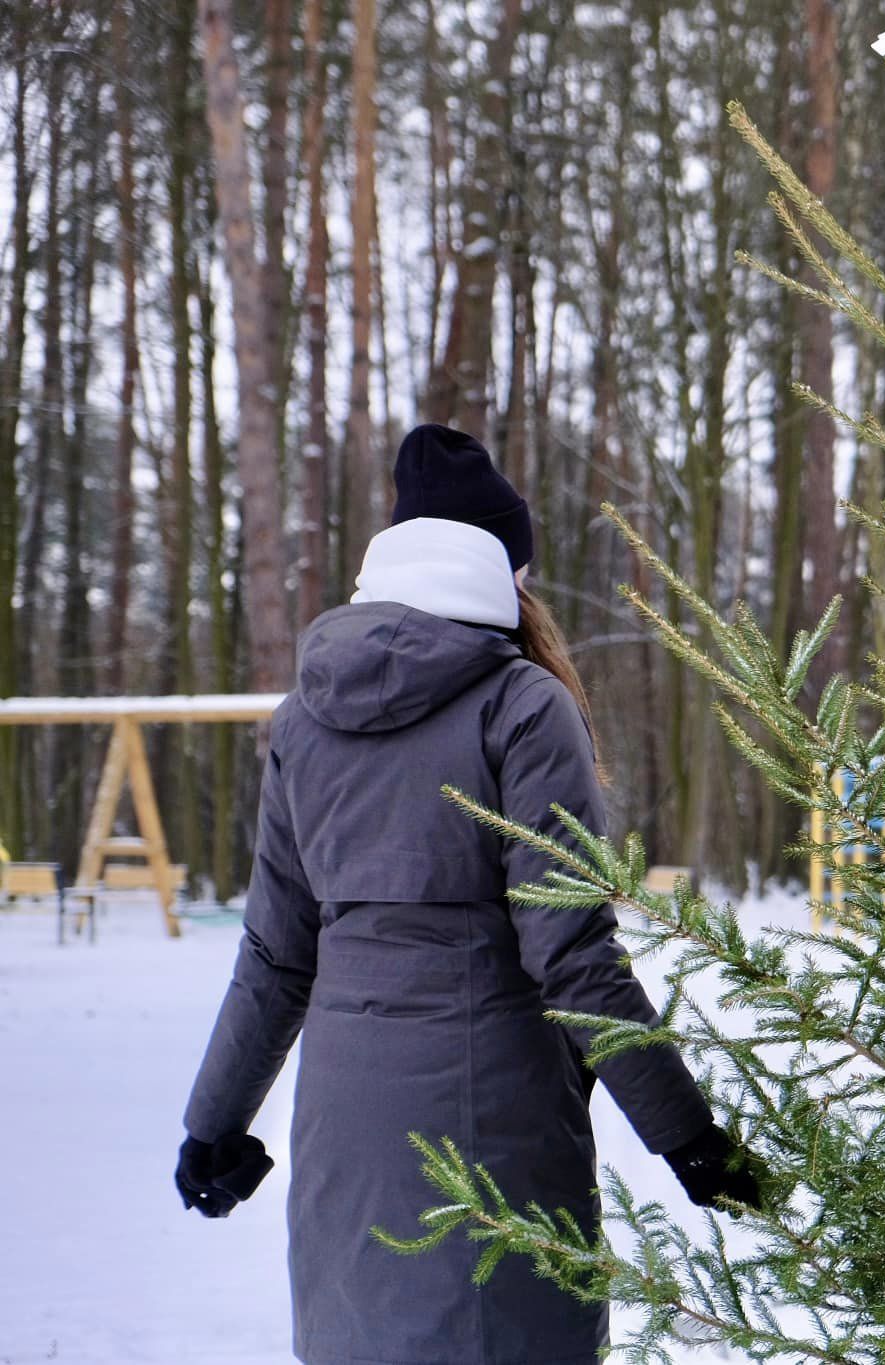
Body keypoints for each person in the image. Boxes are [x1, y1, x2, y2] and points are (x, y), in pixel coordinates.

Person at [177, 425, 762, 1365]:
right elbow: (570, 954)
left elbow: (277, 954)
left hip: (345, 1134)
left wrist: (212, 1125)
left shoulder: (303, 718)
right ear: (505, 569)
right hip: (491, 1126)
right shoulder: (524, 705)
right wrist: (687, 1133)